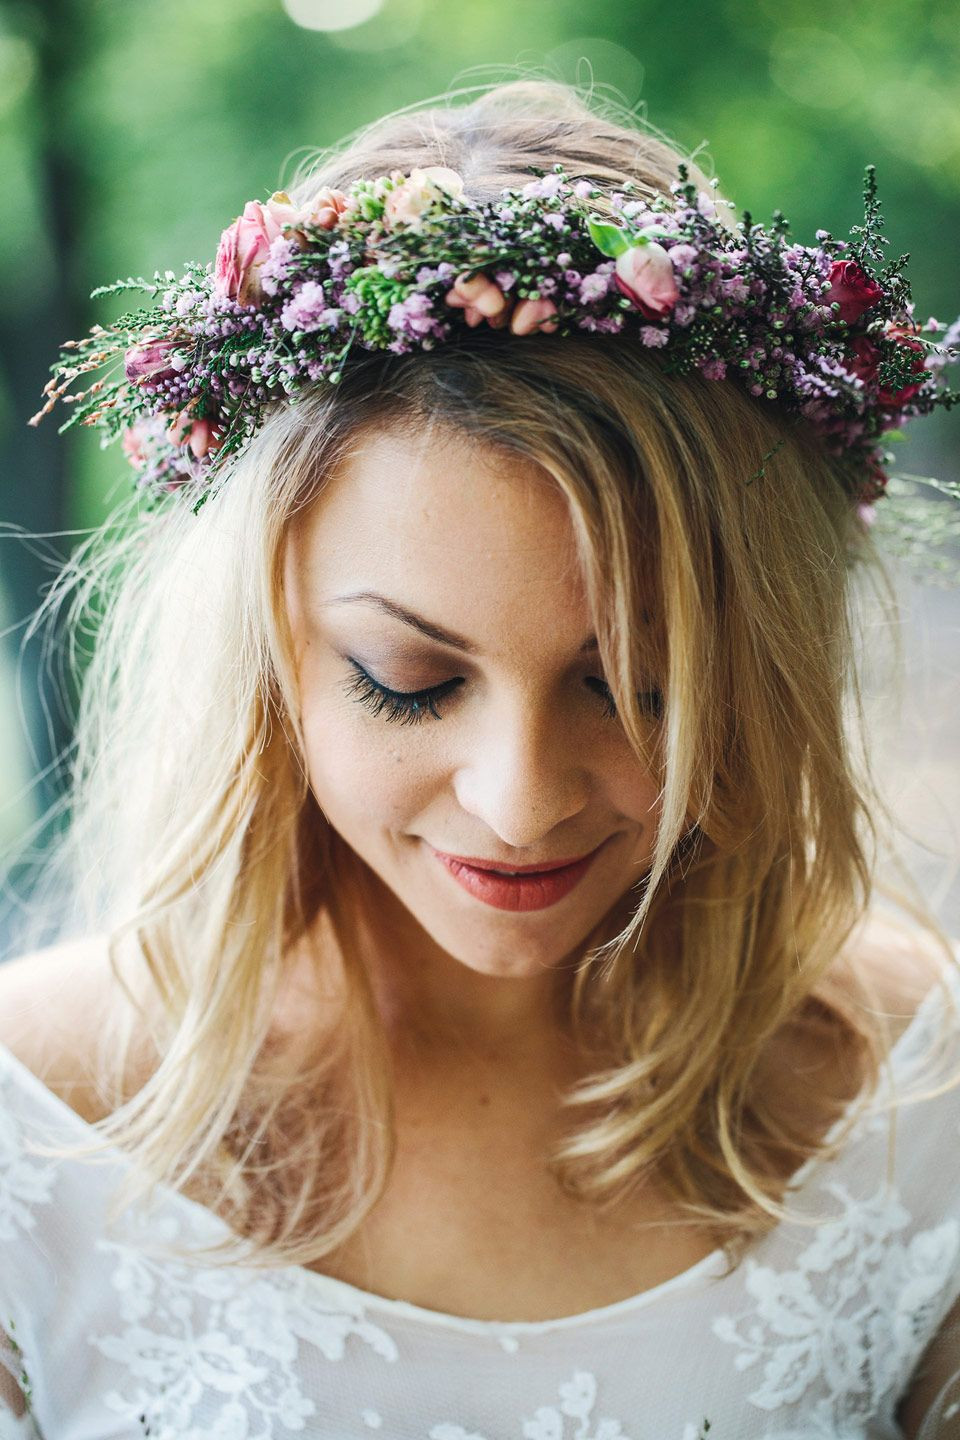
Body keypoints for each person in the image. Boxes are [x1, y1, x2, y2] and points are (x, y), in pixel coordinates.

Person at [2, 76, 960, 1439]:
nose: (521, 801)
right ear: (265, 648)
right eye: (410, 683)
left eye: (640, 688)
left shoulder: (916, 1088)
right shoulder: (27, 1133)